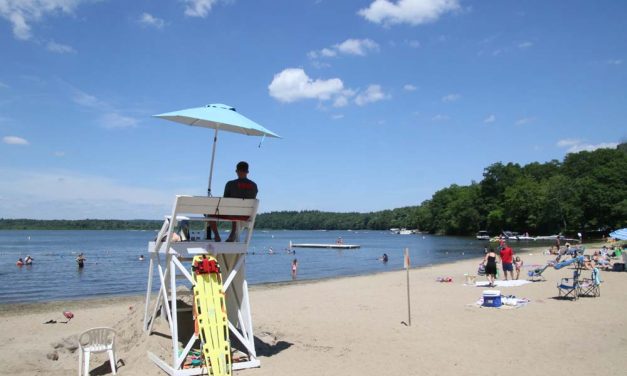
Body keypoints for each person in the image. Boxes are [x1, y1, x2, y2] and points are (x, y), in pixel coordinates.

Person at [208, 161, 258, 242]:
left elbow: (226, 201)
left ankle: (217, 236)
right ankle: (232, 234)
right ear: (247, 172)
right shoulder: (254, 186)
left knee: (210, 214)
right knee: (235, 210)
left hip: (232, 213)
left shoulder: (230, 184)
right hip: (246, 216)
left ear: (236, 171)